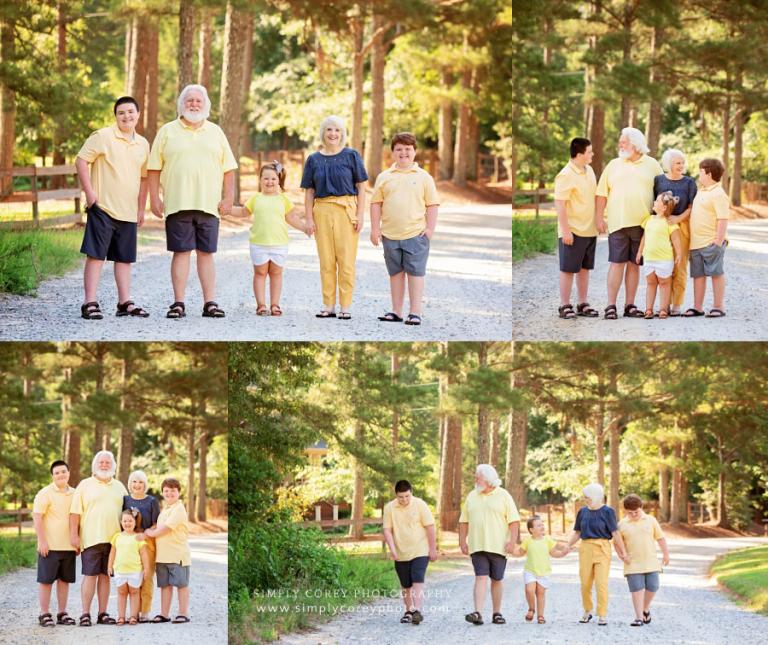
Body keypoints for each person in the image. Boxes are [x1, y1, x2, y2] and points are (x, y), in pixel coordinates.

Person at [147, 84, 238, 319]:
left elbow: (229, 169)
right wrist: (154, 198)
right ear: (182, 104)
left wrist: (228, 197)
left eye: (198, 101)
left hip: (209, 205)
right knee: (181, 252)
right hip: (177, 203)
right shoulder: (167, 131)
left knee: (206, 253)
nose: (194, 104)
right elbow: (154, 168)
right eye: (189, 101)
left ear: (206, 105)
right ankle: (178, 303)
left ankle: (210, 303)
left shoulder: (216, 132)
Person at [75, 96, 150, 320]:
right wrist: (90, 195)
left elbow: (144, 178)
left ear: (138, 115)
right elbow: (81, 161)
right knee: (96, 256)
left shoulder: (143, 144)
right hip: (103, 208)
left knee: (124, 258)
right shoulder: (103, 136)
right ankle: (89, 303)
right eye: (121, 113)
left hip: (128, 211)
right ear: (115, 116)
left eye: (130, 112)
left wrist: (140, 208)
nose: (126, 116)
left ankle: (124, 302)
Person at [301, 115, 368, 319]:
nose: (333, 134)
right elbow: (309, 192)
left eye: (337, 130)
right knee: (326, 261)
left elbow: (362, 188)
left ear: (342, 133)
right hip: (321, 210)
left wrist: (360, 215)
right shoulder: (313, 159)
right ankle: (328, 305)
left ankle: (345, 305)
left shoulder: (351, 156)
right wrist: (309, 219)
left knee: (346, 261)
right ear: (323, 133)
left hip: (346, 210)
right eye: (329, 130)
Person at [370, 132, 439, 326]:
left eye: (408, 149)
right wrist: (375, 229)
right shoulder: (385, 177)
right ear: (392, 153)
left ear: (415, 152)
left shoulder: (424, 177)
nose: (403, 153)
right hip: (390, 235)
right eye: (398, 149)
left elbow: (432, 205)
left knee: (415, 273)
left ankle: (415, 312)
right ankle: (396, 311)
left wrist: (430, 230)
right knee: (395, 273)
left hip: (415, 235)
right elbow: (376, 203)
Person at [595, 128, 663, 319]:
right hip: (618, 223)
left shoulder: (652, 165)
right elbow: (601, 193)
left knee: (634, 264)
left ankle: (630, 305)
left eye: (623, 142)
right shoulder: (613, 165)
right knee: (617, 263)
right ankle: (610, 305)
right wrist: (599, 218)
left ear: (635, 144)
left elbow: (663, 191)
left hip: (643, 225)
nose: (620, 145)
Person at [230, 161, 308, 316]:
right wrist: (228, 210)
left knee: (276, 274)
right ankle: (261, 305)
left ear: (279, 180)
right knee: (260, 273)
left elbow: (291, 217)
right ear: (260, 180)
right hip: (259, 243)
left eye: (273, 179)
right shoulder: (256, 198)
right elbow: (243, 212)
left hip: (279, 244)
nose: (269, 182)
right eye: (265, 178)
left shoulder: (283, 200)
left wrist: (304, 228)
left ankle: (275, 304)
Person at [69, 450, 128, 626]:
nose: (104, 465)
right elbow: (74, 513)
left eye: (107, 462)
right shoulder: (84, 485)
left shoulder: (120, 487)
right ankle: (85, 613)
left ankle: (103, 613)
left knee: (105, 576)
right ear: (95, 466)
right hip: (91, 538)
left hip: (114, 541)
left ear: (113, 466)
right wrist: (74, 536)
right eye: (101, 462)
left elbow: (129, 513)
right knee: (90, 576)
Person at [458, 464, 520, 626]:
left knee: (497, 579)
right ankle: (477, 612)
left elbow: (513, 521)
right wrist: (462, 541)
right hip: (477, 545)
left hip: (498, 546)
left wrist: (512, 541)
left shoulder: (503, 495)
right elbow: (463, 521)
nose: (475, 480)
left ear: (488, 479)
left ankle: (496, 613)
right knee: (480, 577)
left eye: (478, 477)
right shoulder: (472, 496)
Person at [565, 483, 628, 626]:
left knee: (601, 583)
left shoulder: (608, 512)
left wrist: (623, 552)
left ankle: (602, 614)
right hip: (586, 548)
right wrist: (568, 545)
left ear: (595, 497)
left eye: (587, 497)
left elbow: (615, 533)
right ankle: (587, 611)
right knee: (585, 583)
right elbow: (577, 532)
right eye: (584, 497)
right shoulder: (582, 512)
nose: (585, 500)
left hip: (602, 548)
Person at [554, 137, 599, 319]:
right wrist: (565, 230)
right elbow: (560, 204)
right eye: (589, 152)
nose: (592, 154)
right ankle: (564, 305)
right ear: (580, 154)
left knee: (584, 268)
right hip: (572, 230)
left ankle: (582, 303)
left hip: (589, 229)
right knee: (568, 269)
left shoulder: (589, 171)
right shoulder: (566, 175)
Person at [382, 480, 438, 625]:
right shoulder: (389, 508)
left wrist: (432, 549)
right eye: (401, 497)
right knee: (406, 584)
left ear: (411, 493)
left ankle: (417, 611)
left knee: (417, 578)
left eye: (407, 496)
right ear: (396, 495)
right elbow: (387, 530)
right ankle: (408, 611)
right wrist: (392, 549)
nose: (404, 500)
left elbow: (430, 527)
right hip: (401, 552)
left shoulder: (420, 504)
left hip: (420, 549)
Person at [32, 460, 77, 628]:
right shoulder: (45, 493)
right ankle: (44, 613)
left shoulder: (75, 493)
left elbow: (77, 518)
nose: (60, 475)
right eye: (57, 473)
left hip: (68, 546)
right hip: (49, 546)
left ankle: (62, 613)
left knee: (64, 581)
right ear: (53, 476)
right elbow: (37, 518)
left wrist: (76, 540)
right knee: (46, 581)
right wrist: (42, 541)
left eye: (63, 471)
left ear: (69, 473)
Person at [654, 150, 697, 315]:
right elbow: (655, 204)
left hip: (682, 228)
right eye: (678, 162)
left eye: (682, 162)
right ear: (669, 164)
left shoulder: (689, 183)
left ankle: (677, 305)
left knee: (679, 267)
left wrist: (678, 218)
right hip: (662, 230)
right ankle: (664, 304)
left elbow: (692, 207)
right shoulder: (658, 181)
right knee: (664, 266)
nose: (681, 166)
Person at [685, 158, 730, 318]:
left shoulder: (718, 193)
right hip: (696, 244)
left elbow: (723, 218)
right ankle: (697, 307)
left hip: (711, 242)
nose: (699, 175)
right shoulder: (701, 191)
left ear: (709, 173)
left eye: (701, 172)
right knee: (698, 275)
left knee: (716, 273)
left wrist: (718, 241)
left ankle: (719, 306)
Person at [617, 494, 670, 627]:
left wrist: (666, 554)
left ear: (641, 508)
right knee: (636, 589)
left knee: (653, 586)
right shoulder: (621, 524)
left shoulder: (650, 520)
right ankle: (639, 617)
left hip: (651, 561)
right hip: (632, 563)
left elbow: (660, 538)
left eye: (636, 511)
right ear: (625, 511)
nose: (634, 514)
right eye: (630, 512)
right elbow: (617, 544)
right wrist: (623, 556)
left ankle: (645, 608)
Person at [145, 478, 191, 623]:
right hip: (162, 556)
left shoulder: (179, 508)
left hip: (177, 554)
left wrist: (151, 533)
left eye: (173, 491)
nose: (169, 493)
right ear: (162, 492)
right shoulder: (165, 509)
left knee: (181, 584)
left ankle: (183, 613)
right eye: (166, 491)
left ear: (179, 492)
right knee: (165, 585)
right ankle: (164, 614)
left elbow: (166, 528)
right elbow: (159, 526)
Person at [511, 515, 570, 624]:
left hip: (544, 572)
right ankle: (531, 608)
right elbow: (520, 552)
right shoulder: (528, 541)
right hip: (530, 571)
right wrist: (511, 550)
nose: (542, 526)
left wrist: (562, 553)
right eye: (538, 525)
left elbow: (553, 553)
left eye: (542, 524)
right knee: (529, 590)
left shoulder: (547, 540)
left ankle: (540, 615)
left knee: (540, 593)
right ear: (531, 530)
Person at [636, 191, 682, 319]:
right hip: (649, 258)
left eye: (657, 201)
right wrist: (640, 252)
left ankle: (663, 309)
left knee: (664, 283)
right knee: (651, 283)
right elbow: (644, 237)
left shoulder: (669, 223)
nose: (654, 202)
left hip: (664, 260)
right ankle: (649, 309)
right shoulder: (649, 220)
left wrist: (679, 254)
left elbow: (676, 239)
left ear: (664, 207)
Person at [122, 470, 161, 622]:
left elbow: (156, 523)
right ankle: (133, 612)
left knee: (147, 576)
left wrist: (145, 534)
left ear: (145, 484)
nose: (137, 485)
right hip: (129, 542)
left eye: (140, 482)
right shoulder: (125, 499)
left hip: (147, 541)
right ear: (129, 484)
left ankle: (144, 611)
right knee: (132, 576)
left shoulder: (152, 501)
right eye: (134, 481)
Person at [107, 509, 149, 626]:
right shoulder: (117, 537)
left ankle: (133, 616)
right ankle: (121, 616)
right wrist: (109, 566)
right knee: (121, 593)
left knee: (134, 592)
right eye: (125, 521)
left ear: (135, 522)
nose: (127, 523)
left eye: (130, 521)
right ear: (121, 522)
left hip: (135, 570)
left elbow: (144, 554)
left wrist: (146, 568)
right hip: (120, 570)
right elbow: (112, 553)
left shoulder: (138, 538)